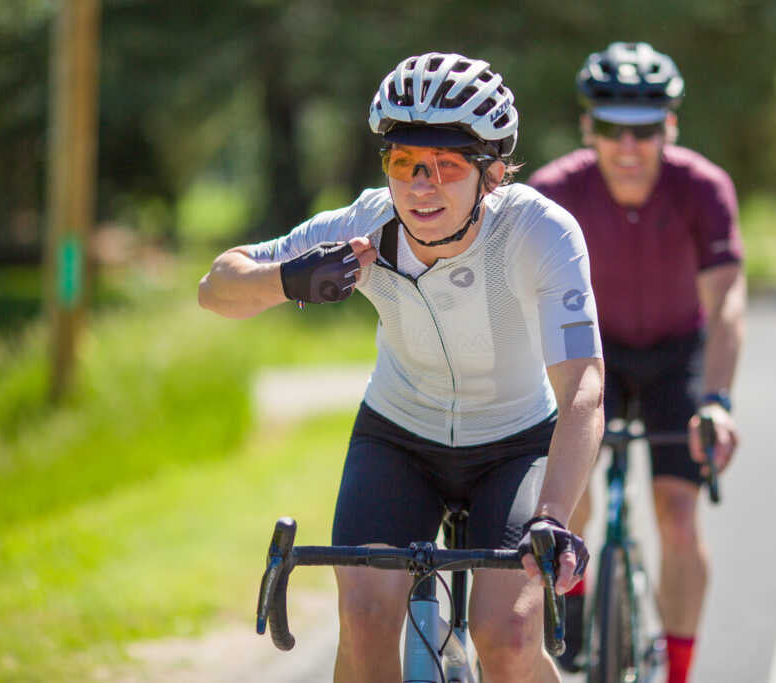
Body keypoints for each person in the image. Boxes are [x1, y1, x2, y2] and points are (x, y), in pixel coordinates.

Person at [198, 51, 604, 682]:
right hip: (398, 437)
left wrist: (553, 514)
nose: (421, 186)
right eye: (404, 163)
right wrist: (290, 279)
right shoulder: (363, 224)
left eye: (445, 166)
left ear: (492, 174)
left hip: (516, 443)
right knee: (362, 623)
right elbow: (215, 285)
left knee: (510, 636)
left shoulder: (541, 234)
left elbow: (583, 387)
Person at [528, 41, 745, 683]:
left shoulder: (703, 187)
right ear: (588, 126)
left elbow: (727, 301)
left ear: (669, 127)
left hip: (678, 355)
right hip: (592, 354)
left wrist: (718, 401)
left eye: (645, 130)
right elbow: (523, 301)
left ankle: (677, 671)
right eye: (614, 128)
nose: (629, 145)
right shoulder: (554, 191)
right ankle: (578, 600)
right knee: (571, 499)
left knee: (677, 517)